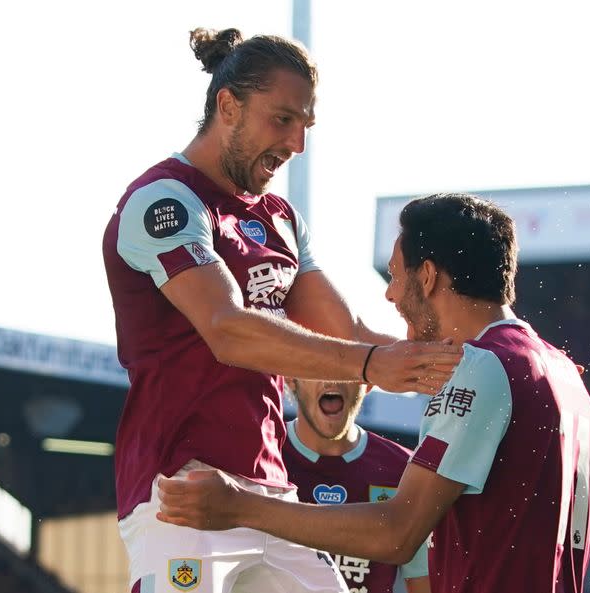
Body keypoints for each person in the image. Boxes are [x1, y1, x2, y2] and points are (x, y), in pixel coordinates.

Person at [102, 27, 460, 593]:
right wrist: (372, 364)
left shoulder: (281, 218)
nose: (297, 144)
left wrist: (464, 364)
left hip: (267, 492)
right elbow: (227, 329)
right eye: (283, 119)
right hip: (183, 489)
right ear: (228, 105)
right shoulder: (165, 199)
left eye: (306, 126)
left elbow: (346, 332)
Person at [157, 194, 590, 593]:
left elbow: (395, 533)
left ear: (426, 276)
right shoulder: (563, 371)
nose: (389, 294)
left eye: (393, 276)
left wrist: (236, 507)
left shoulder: (483, 367)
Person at [283, 378, 431, 593]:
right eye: (319, 364)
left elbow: (422, 580)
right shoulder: (261, 457)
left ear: (369, 382)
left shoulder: (404, 470)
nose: (332, 378)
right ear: (291, 379)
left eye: (347, 366)